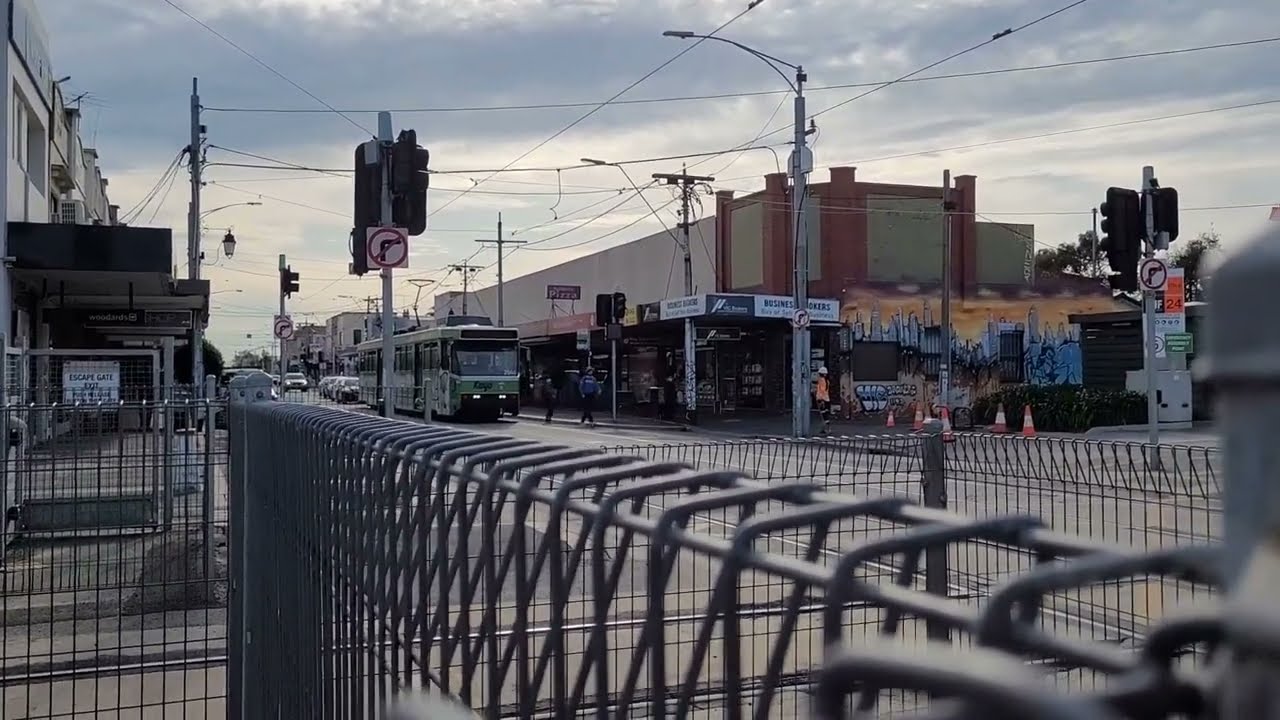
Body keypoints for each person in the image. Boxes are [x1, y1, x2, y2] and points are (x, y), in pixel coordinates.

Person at [815, 365, 832, 435]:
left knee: (823, 416)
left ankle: (826, 429)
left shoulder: (821, 381)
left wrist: (821, 400)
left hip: (822, 400)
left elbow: (822, 391)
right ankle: (826, 429)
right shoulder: (827, 381)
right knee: (825, 415)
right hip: (826, 399)